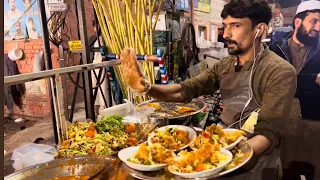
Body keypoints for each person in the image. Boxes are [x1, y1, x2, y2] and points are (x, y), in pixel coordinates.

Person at [121, 0, 297, 176]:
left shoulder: (279, 71)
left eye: (235, 25)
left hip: (256, 162)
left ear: (260, 29)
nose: (226, 33)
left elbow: (268, 132)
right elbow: (185, 89)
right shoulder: (225, 65)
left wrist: (218, 159)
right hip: (223, 148)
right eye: (225, 26)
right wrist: (146, 88)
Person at [270, 0, 320, 121]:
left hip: (313, 123)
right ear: (298, 22)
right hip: (277, 121)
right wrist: (313, 79)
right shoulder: (275, 49)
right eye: (314, 21)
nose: (318, 28)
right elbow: (271, 83)